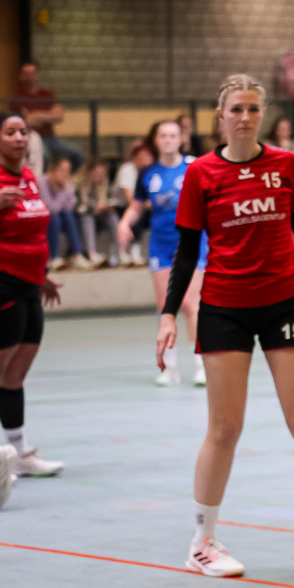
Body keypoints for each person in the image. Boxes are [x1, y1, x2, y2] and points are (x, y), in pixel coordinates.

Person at [157, 74, 294, 577]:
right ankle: (202, 542)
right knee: (224, 428)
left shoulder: (286, 165)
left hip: (286, 303)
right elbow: (186, 250)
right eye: (236, 109)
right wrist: (167, 314)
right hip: (224, 306)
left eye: (253, 109)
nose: (245, 117)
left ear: (262, 115)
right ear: (220, 116)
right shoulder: (201, 173)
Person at [0, 111, 64, 481]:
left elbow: (31, 232)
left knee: (15, 375)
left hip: (28, 287)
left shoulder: (27, 177)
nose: (20, 138)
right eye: (10, 132)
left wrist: (42, 277)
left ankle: (21, 453)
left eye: (24, 131)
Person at [118, 121, 207, 388]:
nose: (168, 140)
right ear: (156, 140)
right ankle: (168, 368)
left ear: (181, 139)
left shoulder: (194, 167)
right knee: (165, 306)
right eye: (163, 135)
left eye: (173, 135)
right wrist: (124, 223)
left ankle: (201, 364)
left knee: (190, 304)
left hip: (193, 243)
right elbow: (136, 206)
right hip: (161, 245)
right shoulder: (148, 173)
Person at [10, 62, 83, 171]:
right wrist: (48, 116)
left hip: (51, 138)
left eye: (31, 74)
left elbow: (59, 116)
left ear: (37, 75)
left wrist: (36, 115)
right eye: (26, 74)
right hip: (32, 137)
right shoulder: (17, 97)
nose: (29, 77)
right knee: (45, 156)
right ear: (21, 76)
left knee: (78, 153)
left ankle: (63, 177)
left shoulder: (47, 94)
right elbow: (27, 121)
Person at [41, 154, 88, 270]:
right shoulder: (41, 182)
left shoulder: (68, 183)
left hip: (60, 216)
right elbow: (51, 208)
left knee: (69, 216)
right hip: (43, 217)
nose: (65, 174)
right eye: (61, 170)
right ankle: (53, 257)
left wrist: (65, 189)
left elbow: (69, 207)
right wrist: (62, 191)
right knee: (55, 218)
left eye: (68, 171)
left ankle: (77, 255)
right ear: (52, 170)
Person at [76, 157, 123, 268]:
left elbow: (115, 200)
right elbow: (78, 207)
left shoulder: (105, 184)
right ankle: (91, 253)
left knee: (112, 216)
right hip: (82, 218)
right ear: (89, 172)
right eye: (96, 173)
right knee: (87, 216)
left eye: (101, 174)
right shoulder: (79, 186)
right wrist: (95, 207)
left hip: (99, 216)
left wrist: (106, 206)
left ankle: (120, 252)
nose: (99, 176)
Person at [114, 139, 154, 267]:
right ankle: (128, 251)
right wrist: (149, 203)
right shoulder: (127, 169)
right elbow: (131, 199)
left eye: (147, 156)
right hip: (119, 207)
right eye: (141, 157)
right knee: (138, 212)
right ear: (134, 158)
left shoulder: (152, 171)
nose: (144, 160)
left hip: (143, 207)